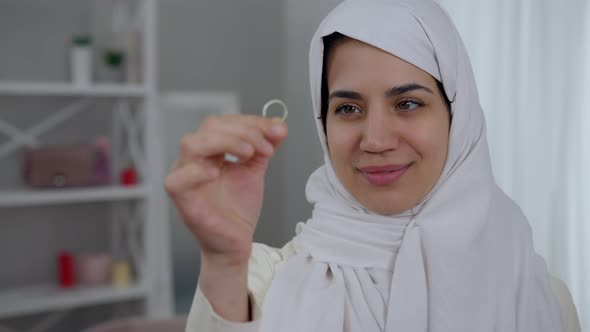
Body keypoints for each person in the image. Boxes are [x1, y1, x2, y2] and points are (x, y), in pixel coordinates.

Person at [165, 0, 567, 331]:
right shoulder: (254, 285)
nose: (375, 140)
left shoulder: (536, 295)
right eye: (348, 108)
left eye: (408, 103)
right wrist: (221, 264)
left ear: (457, 117)